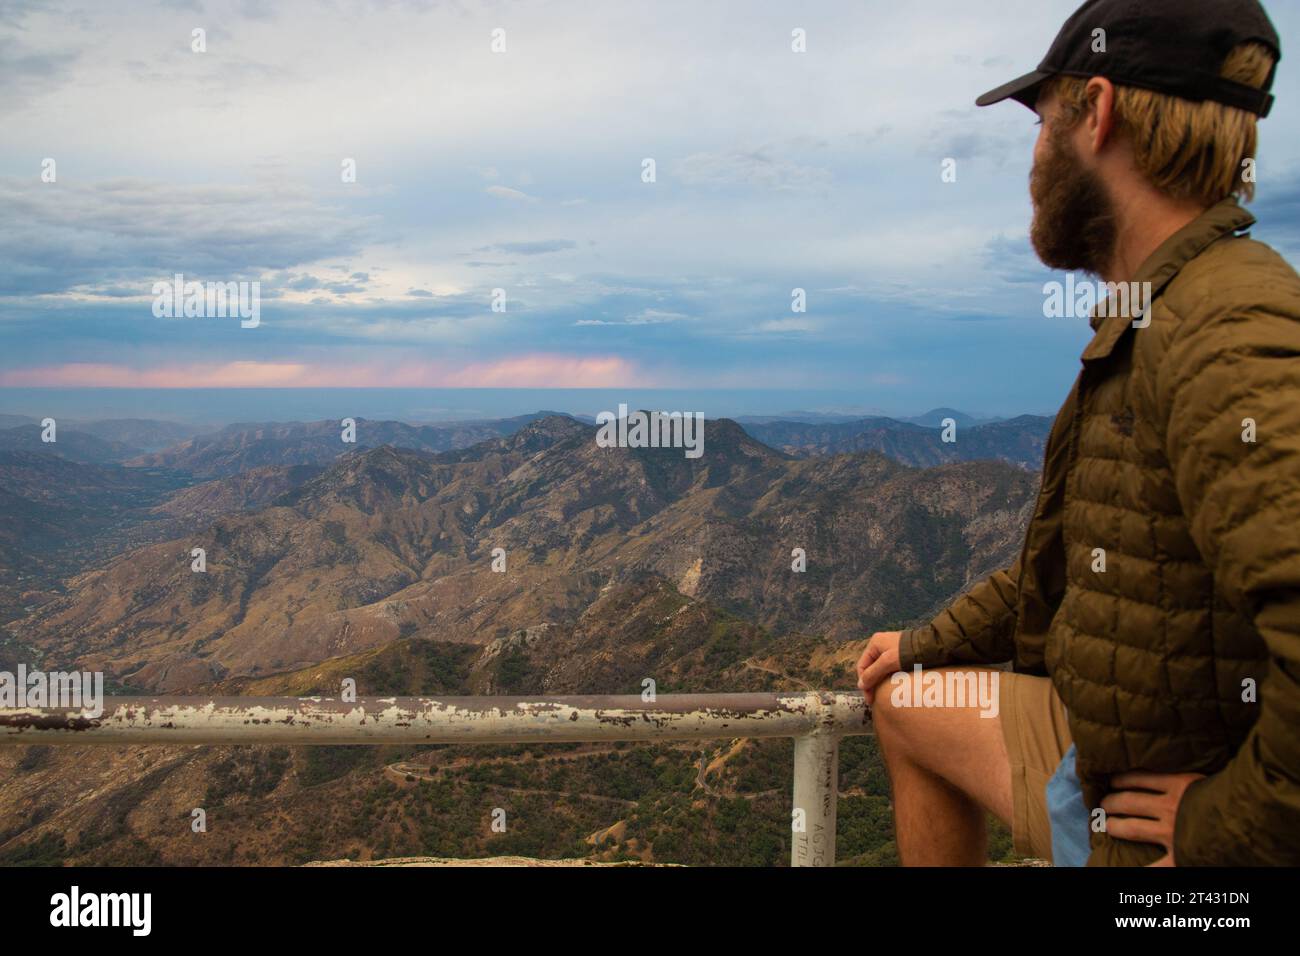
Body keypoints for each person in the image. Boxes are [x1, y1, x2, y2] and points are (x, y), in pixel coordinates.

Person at [856, 0, 1300, 866]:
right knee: (909, 704)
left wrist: (1226, 832)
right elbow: (1074, 557)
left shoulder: (1224, 327)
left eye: (1041, 119)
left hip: (1164, 827)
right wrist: (920, 645)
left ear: (1095, 113)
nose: (1033, 156)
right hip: (1103, 760)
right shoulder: (1157, 312)